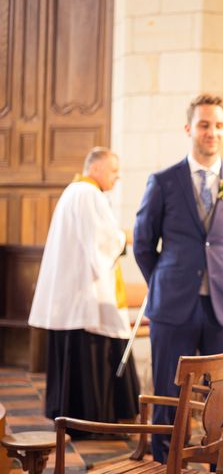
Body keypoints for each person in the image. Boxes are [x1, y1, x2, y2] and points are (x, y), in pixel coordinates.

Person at [133, 94, 223, 462]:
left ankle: (219, 462)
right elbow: (142, 243)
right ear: (189, 129)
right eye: (204, 125)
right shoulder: (163, 181)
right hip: (173, 305)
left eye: (218, 125)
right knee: (170, 396)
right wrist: (164, 281)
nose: (212, 132)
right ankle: (165, 463)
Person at [28, 147, 140, 435]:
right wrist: (125, 236)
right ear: (97, 169)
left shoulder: (74, 191)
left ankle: (68, 415)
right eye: (114, 171)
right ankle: (89, 420)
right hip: (82, 299)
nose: (117, 177)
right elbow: (101, 241)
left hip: (72, 297)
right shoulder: (88, 194)